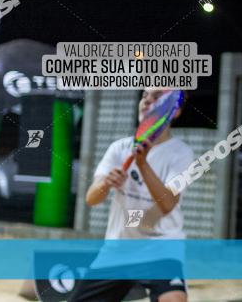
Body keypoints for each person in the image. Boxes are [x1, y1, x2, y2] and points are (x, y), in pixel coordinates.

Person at [68, 88, 195, 302]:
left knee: (174, 299)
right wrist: (106, 183)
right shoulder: (119, 148)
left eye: (156, 98)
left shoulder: (181, 153)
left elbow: (167, 205)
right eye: (145, 96)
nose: (147, 101)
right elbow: (91, 199)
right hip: (120, 248)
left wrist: (142, 163)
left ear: (174, 111)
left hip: (161, 248)